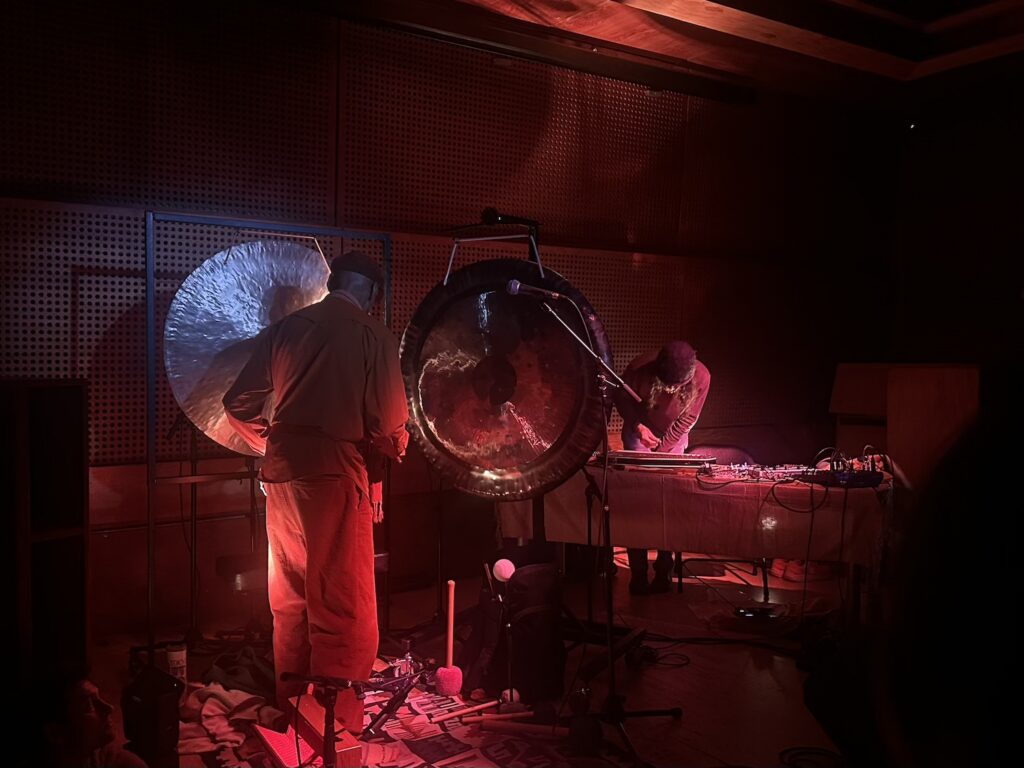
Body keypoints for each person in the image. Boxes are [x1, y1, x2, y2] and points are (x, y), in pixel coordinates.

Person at [223, 251, 408, 732]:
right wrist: (390, 446)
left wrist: (277, 442)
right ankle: (332, 720)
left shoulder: (286, 329)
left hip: (280, 473)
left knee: (290, 597)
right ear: (371, 294)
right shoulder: (373, 335)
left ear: (333, 284)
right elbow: (389, 426)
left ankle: (292, 705)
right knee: (340, 599)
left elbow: (237, 404)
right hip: (333, 477)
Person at [614, 341, 711, 594]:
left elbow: (689, 417)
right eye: (667, 384)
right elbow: (621, 397)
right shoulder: (639, 368)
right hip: (641, 431)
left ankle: (664, 569)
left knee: (669, 503)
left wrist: (663, 448)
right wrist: (637, 427)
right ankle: (638, 573)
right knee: (638, 503)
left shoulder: (702, 376)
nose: (671, 390)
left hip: (674, 437)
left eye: (677, 386)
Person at [27, 666, 148, 768]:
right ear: (55, 733)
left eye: (98, 698)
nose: (109, 708)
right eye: (89, 707)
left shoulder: (123, 763)